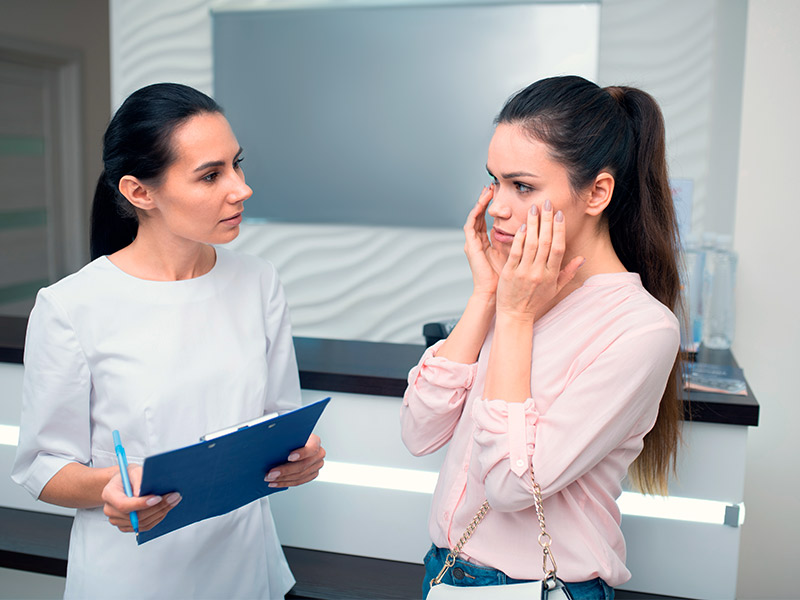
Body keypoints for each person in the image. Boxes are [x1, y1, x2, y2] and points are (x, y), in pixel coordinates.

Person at [11, 83, 325, 599]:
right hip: (134, 576)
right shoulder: (71, 306)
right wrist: (111, 485)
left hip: (245, 565)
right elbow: (41, 467)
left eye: (236, 164)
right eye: (211, 175)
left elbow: (277, 415)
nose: (240, 188)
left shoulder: (258, 280)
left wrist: (300, 454)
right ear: (140, 193)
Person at [401, 75, 682, 599]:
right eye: (495, 181)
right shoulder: (514, 288)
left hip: (542, 587)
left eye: (523, 186)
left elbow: (511, 486)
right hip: (445, 570)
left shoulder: (641, 329)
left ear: (596, 192)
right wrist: (486, 296)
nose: (498, 207)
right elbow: (419, 431)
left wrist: (512, 317)